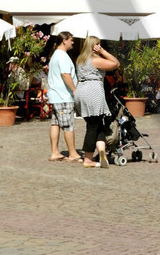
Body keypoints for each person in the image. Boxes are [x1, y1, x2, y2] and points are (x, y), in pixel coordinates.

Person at [74, 36, 120, 168]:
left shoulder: (80, 60)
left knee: (98, 124)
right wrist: (103, 51)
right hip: (92, 91)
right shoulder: (94, 60)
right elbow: (116, 63)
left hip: (81, 91)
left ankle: (101, 152)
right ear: (95, 46)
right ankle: (88, 159)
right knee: (93, 126)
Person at [45, 32, 81, 162]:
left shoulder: (55, 55)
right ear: (64, 41)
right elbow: (66, 74)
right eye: (71, 40)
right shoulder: (62, 56)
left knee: (55, 123)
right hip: (63, 96)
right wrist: (75, 90)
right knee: (68, 125)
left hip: (56, 95)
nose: (73, 42)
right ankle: (72, 154)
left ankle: (55, 152)